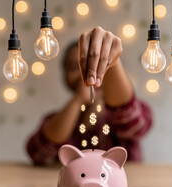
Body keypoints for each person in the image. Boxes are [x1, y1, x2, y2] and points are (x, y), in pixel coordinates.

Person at [26, 26, 152, 166]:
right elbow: (38, 152)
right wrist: (78, 100)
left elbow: (134, 124)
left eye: (97, 64)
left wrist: (111, 60)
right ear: (65, 75)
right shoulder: (54, 120)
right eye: (75, 67)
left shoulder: (128, 114)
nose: (85, 74)